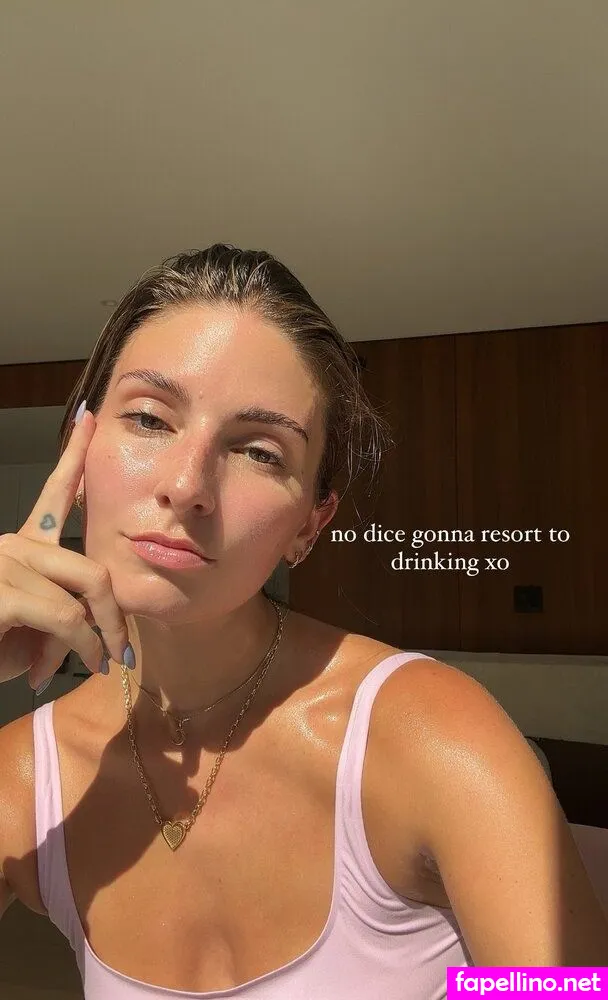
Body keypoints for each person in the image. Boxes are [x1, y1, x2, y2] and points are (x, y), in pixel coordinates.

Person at [0, 244, 605, 999]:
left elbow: (563, 988)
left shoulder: (428, 736)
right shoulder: (27, 777)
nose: (188, 484)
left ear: (311, 525)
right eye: (150, 418)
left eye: (259, 451)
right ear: (79, 452)